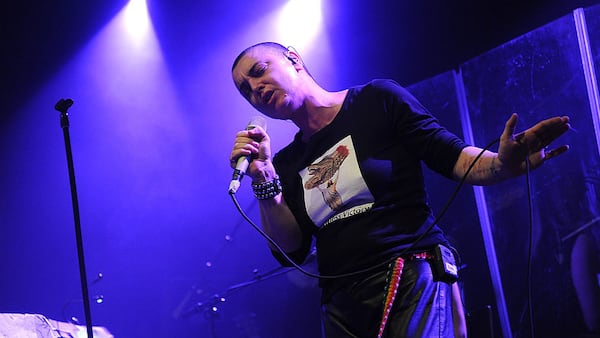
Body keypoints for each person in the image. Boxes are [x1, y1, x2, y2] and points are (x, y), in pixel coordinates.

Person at [228, 41, 570, 338]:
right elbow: (292, 248)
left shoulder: (376, 100)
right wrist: (264, 180)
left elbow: (448, 155)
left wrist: (500, 164)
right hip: (342, 301)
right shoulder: (286, 163)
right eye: (245, 89)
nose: (255, 88)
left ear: (293, 59)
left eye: (259, 71)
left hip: (408, 271)